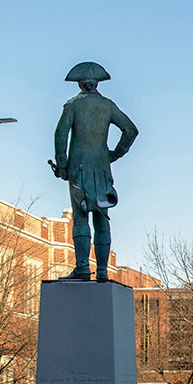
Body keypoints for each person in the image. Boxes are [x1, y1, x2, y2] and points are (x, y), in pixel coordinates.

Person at [52, 61, 138, 281]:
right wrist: (114, 154)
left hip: (78, 168)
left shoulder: (72, 105)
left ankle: (82, 267)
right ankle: (101, 270)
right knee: (102, 216)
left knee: (81, 217)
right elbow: (130, 130)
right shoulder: (107, 105)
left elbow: (61, 134)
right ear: (96, 84)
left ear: (80, 84)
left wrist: (62, 165)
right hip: (101, 167)